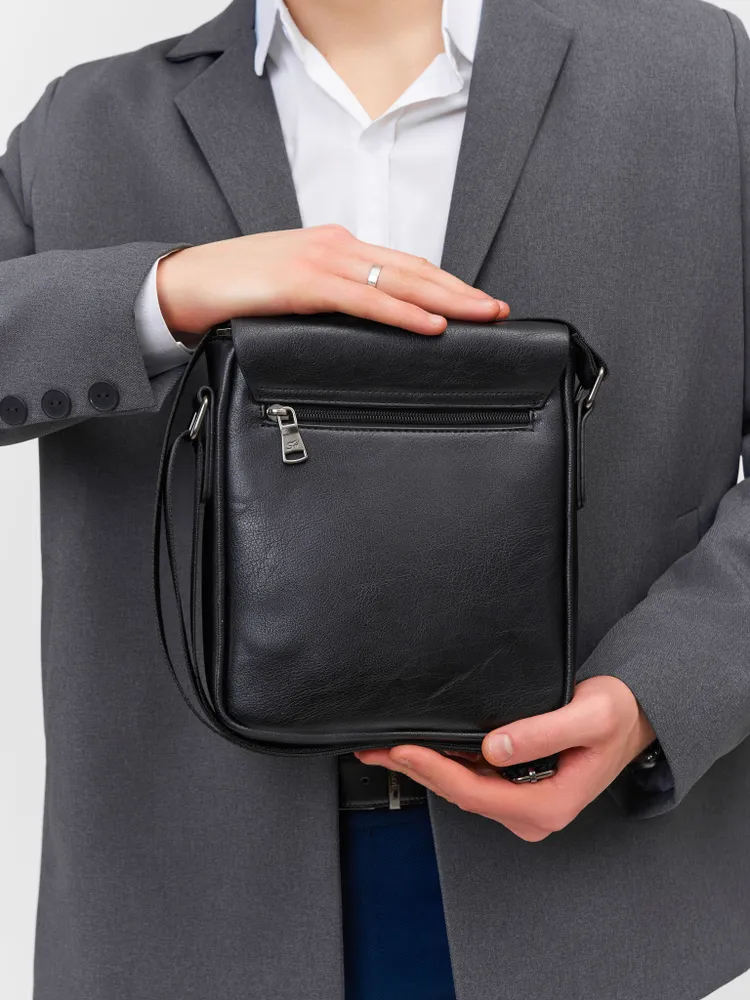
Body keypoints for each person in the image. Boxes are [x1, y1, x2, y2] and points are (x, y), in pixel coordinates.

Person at [1, 0, 750, 997]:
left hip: (596, 898)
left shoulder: (696, 73)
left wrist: (657, 694)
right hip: (184, 909)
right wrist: (164, 292)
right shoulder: (83, 124)